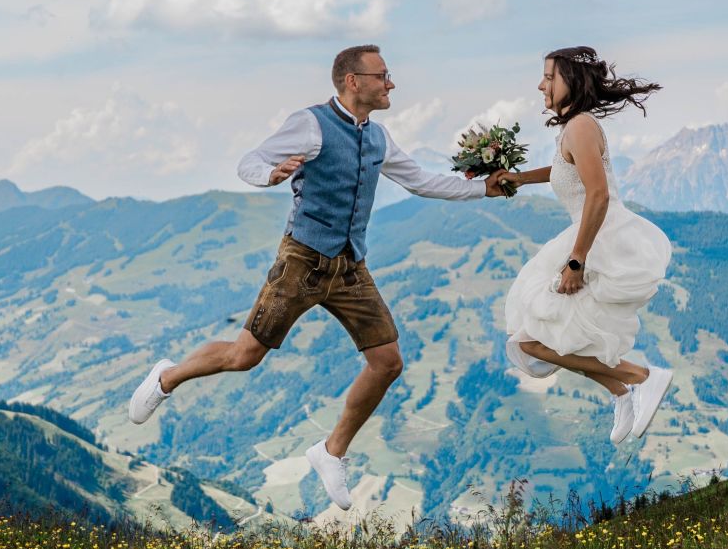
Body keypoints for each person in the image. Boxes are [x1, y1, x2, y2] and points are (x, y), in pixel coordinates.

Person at [125, 44, 511, 512]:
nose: (391, 83)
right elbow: (249, 160)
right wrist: (271, 174)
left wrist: (480, 189)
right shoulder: (310, 125)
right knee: (245, 355)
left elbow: (422, 181)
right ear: (353, 81)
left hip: (350, 266)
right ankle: (167, 377)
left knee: (387, 362)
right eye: (382, 75)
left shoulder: (379, 137)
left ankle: (331, 452)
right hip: (302, 260)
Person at [495, 46, 673, 450]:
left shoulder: (580, 127)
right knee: (551, 336)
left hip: (597, 240)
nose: (541, 84)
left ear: (570, 80)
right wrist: (520, 179)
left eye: (548, 77)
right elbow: (567, 172)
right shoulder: (573, 128)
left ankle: (642, 377)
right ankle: (622, 394)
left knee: (531, 339)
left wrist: (577, 261)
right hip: (589, 234)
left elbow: (598, 194)